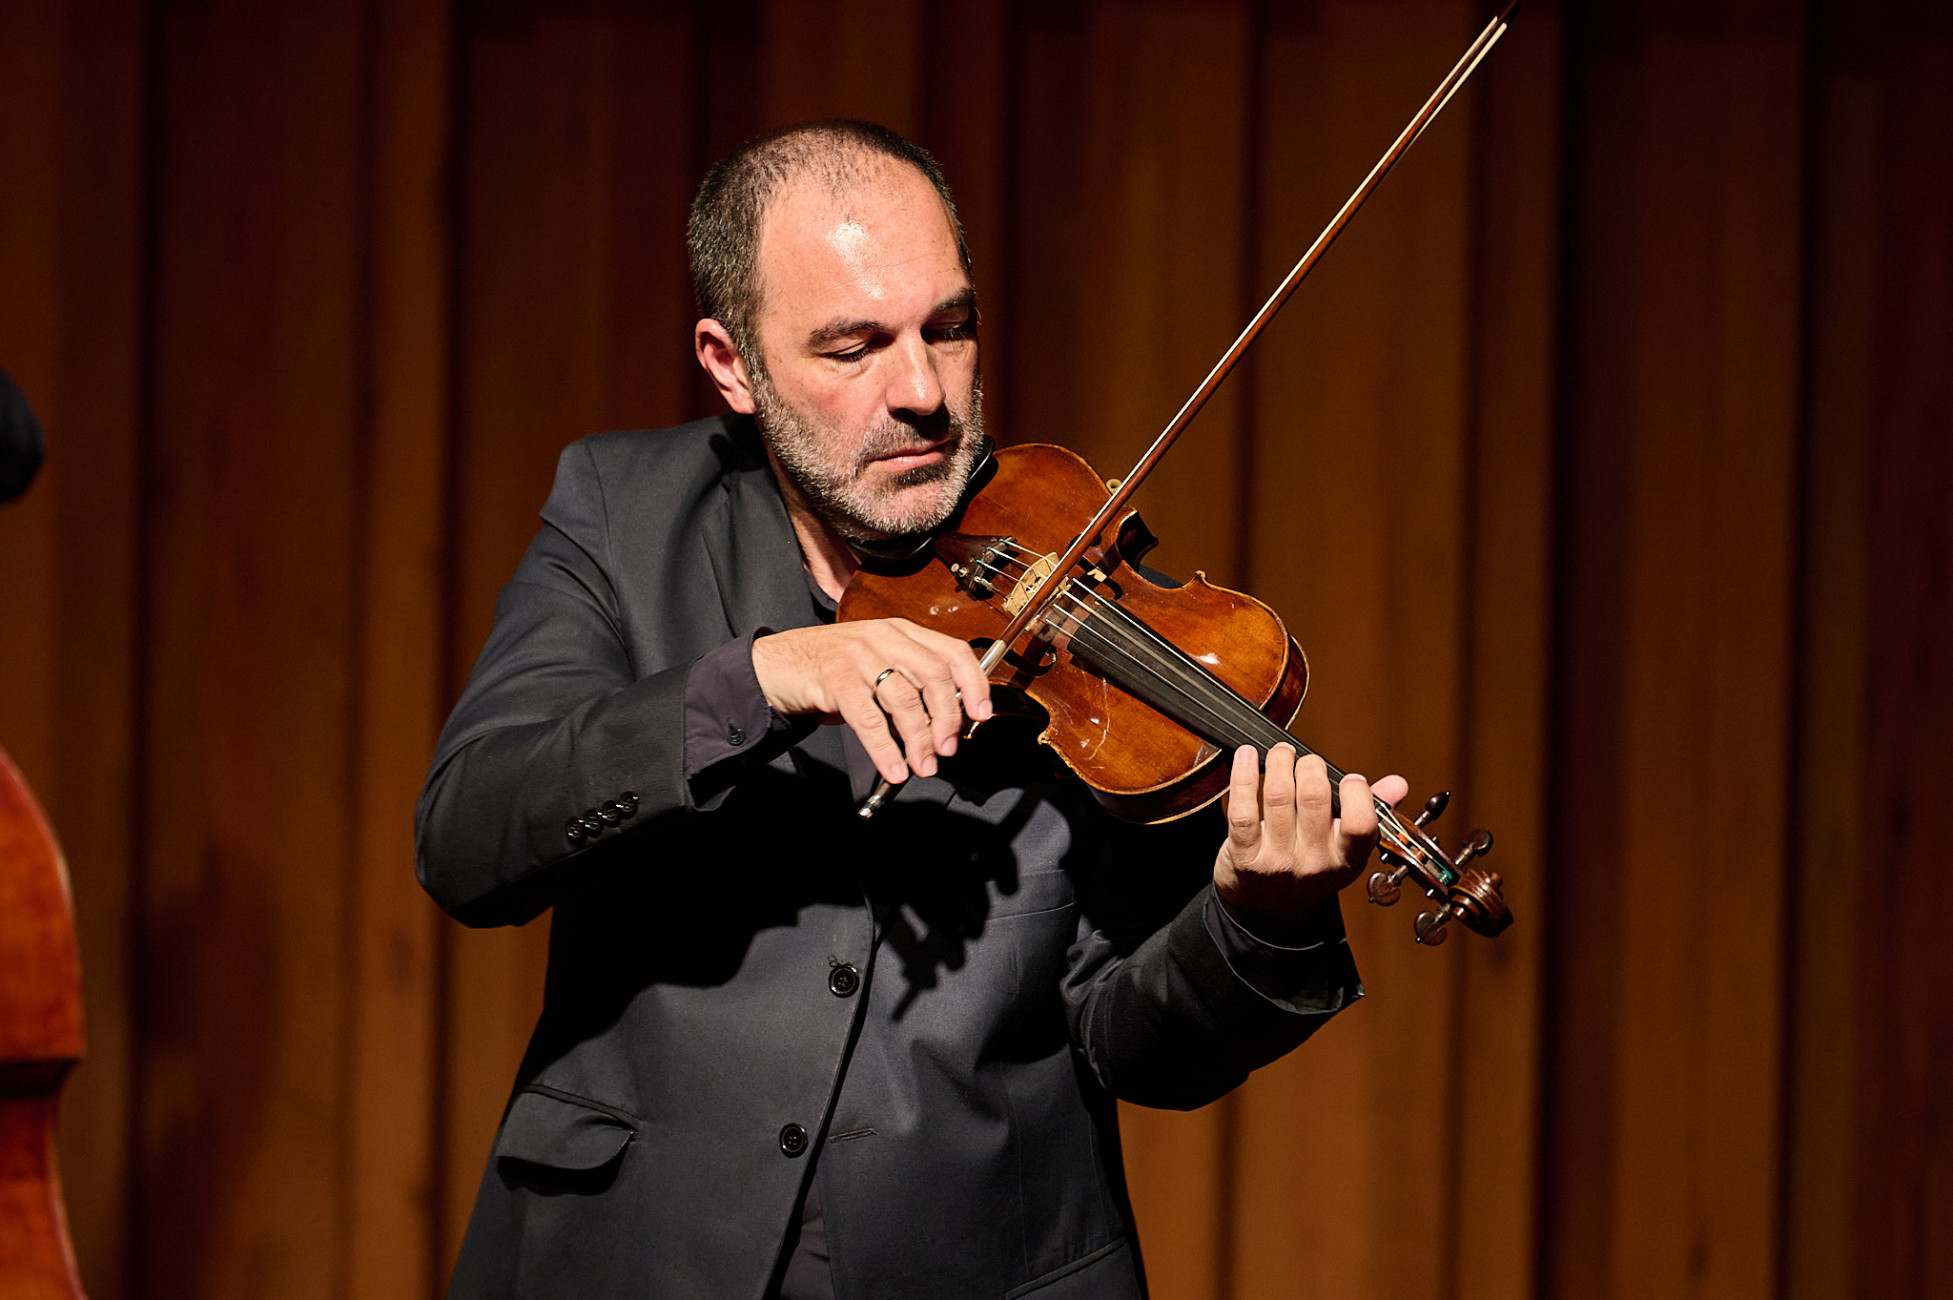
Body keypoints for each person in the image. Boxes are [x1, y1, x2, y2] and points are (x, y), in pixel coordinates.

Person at [416, 120, 1404, 1300]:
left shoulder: (1061, 580)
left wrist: (1256, 920)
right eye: (855, 347)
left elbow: (1134, 1043)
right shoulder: (624, 513)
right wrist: (765, 674)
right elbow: (469, 834)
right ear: (732, 364)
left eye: (949, 328)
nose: (926, 393)